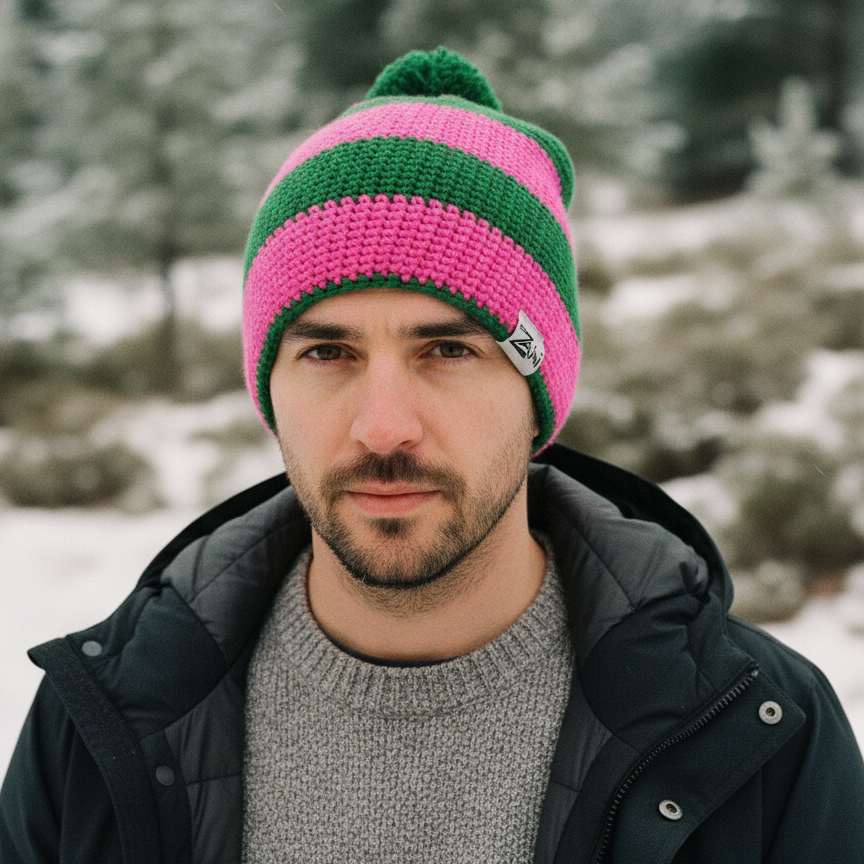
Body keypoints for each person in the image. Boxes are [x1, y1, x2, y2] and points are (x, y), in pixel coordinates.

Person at [1, 46, 863, 864]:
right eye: (326, 353)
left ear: (538, 396)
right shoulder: (97, 723)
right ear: (269, 393)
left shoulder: (758, 734)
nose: (384, 427)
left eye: (448, 351)